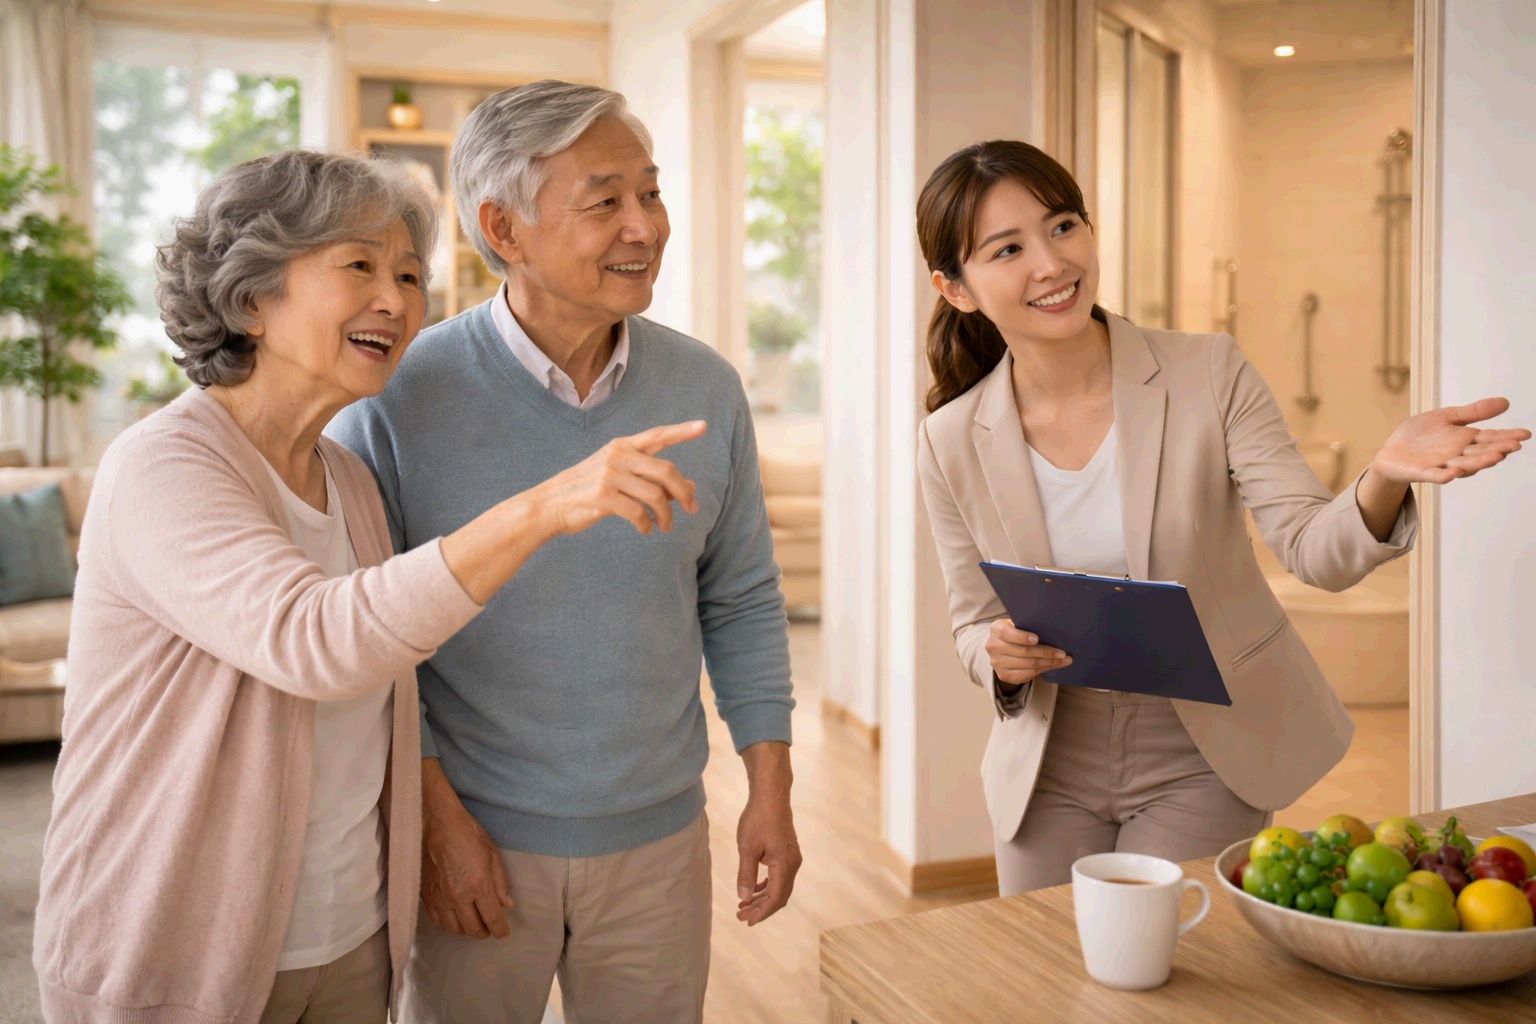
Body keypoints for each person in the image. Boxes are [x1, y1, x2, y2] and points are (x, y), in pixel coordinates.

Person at [33, 149, 707, 1023]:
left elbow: (396, 684)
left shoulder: (347, 479)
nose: (397, 301)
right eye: (359, 266)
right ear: (251, 299)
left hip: (350, 942)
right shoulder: (164, 466)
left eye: (409, 274)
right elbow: (316, 640)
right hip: (177, 948)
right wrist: (542, 507)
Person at [913, 139, 1529, 897]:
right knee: (1052, 984)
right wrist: (996, 653)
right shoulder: (950, 439)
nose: (1051, 263)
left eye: (1064, 226)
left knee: (1178, 986)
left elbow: (1313, 549)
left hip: (1204, 749)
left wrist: (1384, 476)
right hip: (1046, 761)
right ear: (957, 288)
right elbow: (970, 622)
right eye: (1008, 249)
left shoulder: (1207, 372)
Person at [328, 80, 799, 1024]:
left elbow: (740, 598)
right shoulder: (394, 396)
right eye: (605, 202)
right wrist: (438, 826)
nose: (645, 226)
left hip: (661, 839)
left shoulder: (705, 384)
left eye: (651, 193)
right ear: (503, 229)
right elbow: (373, 638)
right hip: (475, 841)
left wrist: (771, 790)